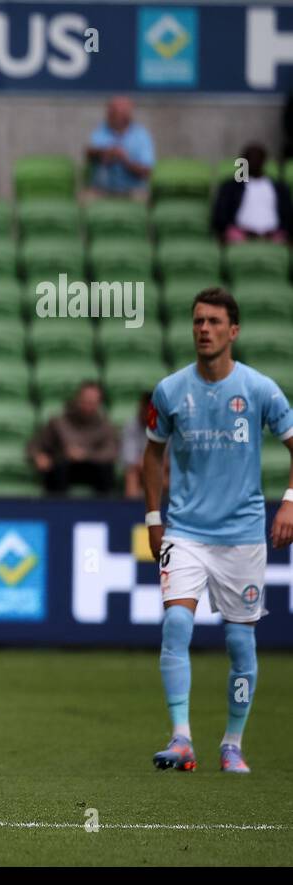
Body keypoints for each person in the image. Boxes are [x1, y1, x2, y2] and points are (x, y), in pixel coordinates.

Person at [143, 286, 293, 775]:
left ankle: (233, 741)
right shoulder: (169, 391)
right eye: (197, 321)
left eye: (213, 322)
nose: (203, 329)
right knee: (176, 625)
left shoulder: (260, 390)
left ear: (234, 330)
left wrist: (289, 503)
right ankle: (182, 738)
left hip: (242, 535)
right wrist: (153, 515)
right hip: (185, 530)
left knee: (239, 642)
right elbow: (152, 453)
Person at [27, 381, 119, 495]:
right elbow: (35, 444)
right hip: (63, 469)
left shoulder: (106, 427)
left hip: (93, 469)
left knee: (106, 470)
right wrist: (38, 456)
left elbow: (111, 452)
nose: (87, 406)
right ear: (77, 399)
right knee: (57, 469)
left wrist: (85, 455)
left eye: (92, 403)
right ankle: (57, 508)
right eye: (84, 401)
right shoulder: (58, 422)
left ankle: (105, 509)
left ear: (99, 404)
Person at [212, 143, 292, 244]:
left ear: (264, 160)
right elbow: (220, 215)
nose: (253, 162)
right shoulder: (231, 187)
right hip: (240, 234)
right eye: (249, 159)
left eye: (257, 158)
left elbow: (287, 215)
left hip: (274, 235)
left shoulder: (279, 188)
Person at [84, 96, 155, 200]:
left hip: (133, 189)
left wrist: (125, 160)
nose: (109, 115)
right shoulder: (102, 130)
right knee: (85, 198)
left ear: (126, 115)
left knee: (143, 199)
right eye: (109, 111)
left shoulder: (141, 135)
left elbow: (146, 171)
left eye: (114, 112)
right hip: (102, 189)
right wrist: (104, 153)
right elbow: (89, 153)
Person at [121, 391, 154, 497]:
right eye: (144, 409)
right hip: (140, 472)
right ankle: (132, 510)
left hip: (164, 472)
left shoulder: (169, 427)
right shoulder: (130, 426)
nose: (146, 412)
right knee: (131, 474)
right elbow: (129, 460)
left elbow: (174, 460)